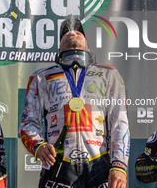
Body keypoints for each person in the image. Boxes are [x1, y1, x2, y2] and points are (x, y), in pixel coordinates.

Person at [20, 17, 130, 188]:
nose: (72, 32)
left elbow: (119, 123)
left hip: (99, 165)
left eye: (79, 31)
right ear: (58, 47)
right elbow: (28, 123)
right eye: (65, 33)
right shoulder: (41, 77)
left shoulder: (109, 74)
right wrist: (38, 146)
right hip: (58, 165)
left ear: (88, 45)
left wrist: (119, 165)